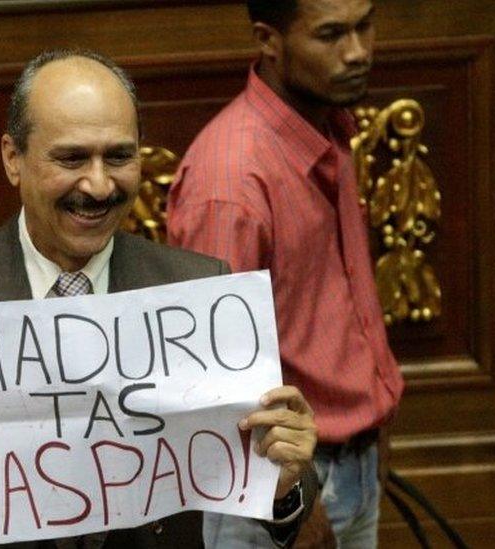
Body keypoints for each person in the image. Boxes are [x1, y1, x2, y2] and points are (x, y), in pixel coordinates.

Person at [0, 49, 321, 548]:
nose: (99, 184)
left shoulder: (196, 296)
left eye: (118, 156)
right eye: (71, 158)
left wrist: (283, 485)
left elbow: (265, 500)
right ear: (12, 159)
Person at [167, 1, 404, 547]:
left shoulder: (327, 125)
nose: (358, 52)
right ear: (268, 39)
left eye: (365, 25)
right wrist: (295, 506)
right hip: (279, 493)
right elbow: (215, 380)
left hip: (353, 462)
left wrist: (375, 433)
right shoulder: (230, 184)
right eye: (330, 35)